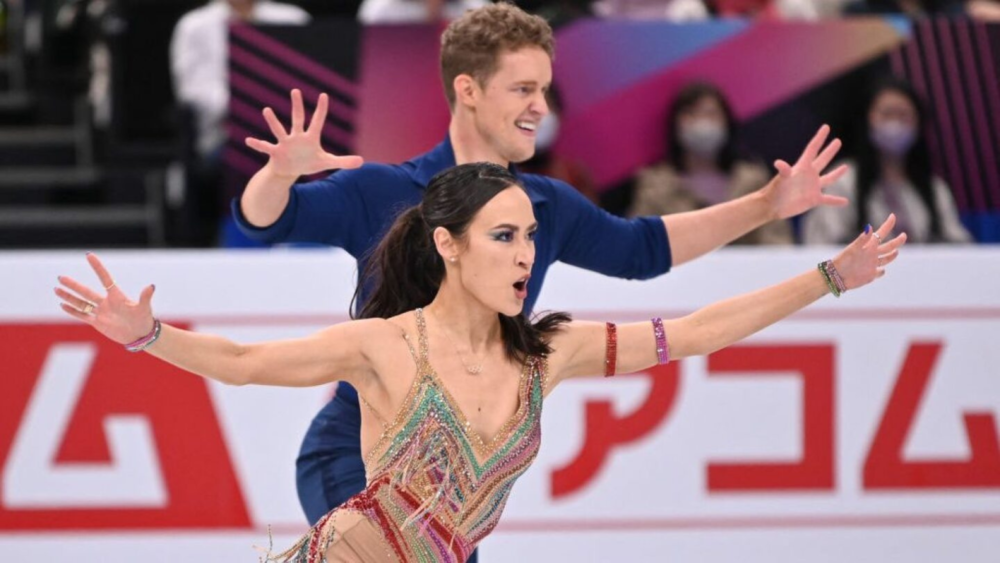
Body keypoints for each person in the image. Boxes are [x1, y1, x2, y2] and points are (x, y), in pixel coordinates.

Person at [233, 4, 850, 560]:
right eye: (523, 89)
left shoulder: (543, 207)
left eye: (545, 91)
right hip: (357, 454)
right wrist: (278, 177)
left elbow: (641, 250)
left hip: (462, 475)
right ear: (468, 90)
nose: (540, 108)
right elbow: (266, 220)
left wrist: (765, 205)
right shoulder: (388, 191)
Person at [56, 162, 906, 562]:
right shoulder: (386, 343)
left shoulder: (550, 351)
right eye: (504, 237)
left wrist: (828, 276)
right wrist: (146, 333)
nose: (525, 254)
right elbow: (243, 361)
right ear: (449, 247)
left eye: (531, 237)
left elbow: (695, 329)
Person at [802, 78, 972, 245]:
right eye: (887, 114)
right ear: (867, 119)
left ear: (918, 123)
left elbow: (959, 246)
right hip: (860, 272)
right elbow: (822, 245)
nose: (895, 123)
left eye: (903, 115)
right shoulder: (843, 179)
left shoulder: (935, 188)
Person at [629, 82, 794, 245]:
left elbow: (777, 243)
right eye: (691, 114)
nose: (702, 123)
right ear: (676, 124)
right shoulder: (655, 184)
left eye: (711, 114)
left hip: (747, 271)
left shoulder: (753, 180)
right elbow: (641, 244)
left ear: (726, 122)